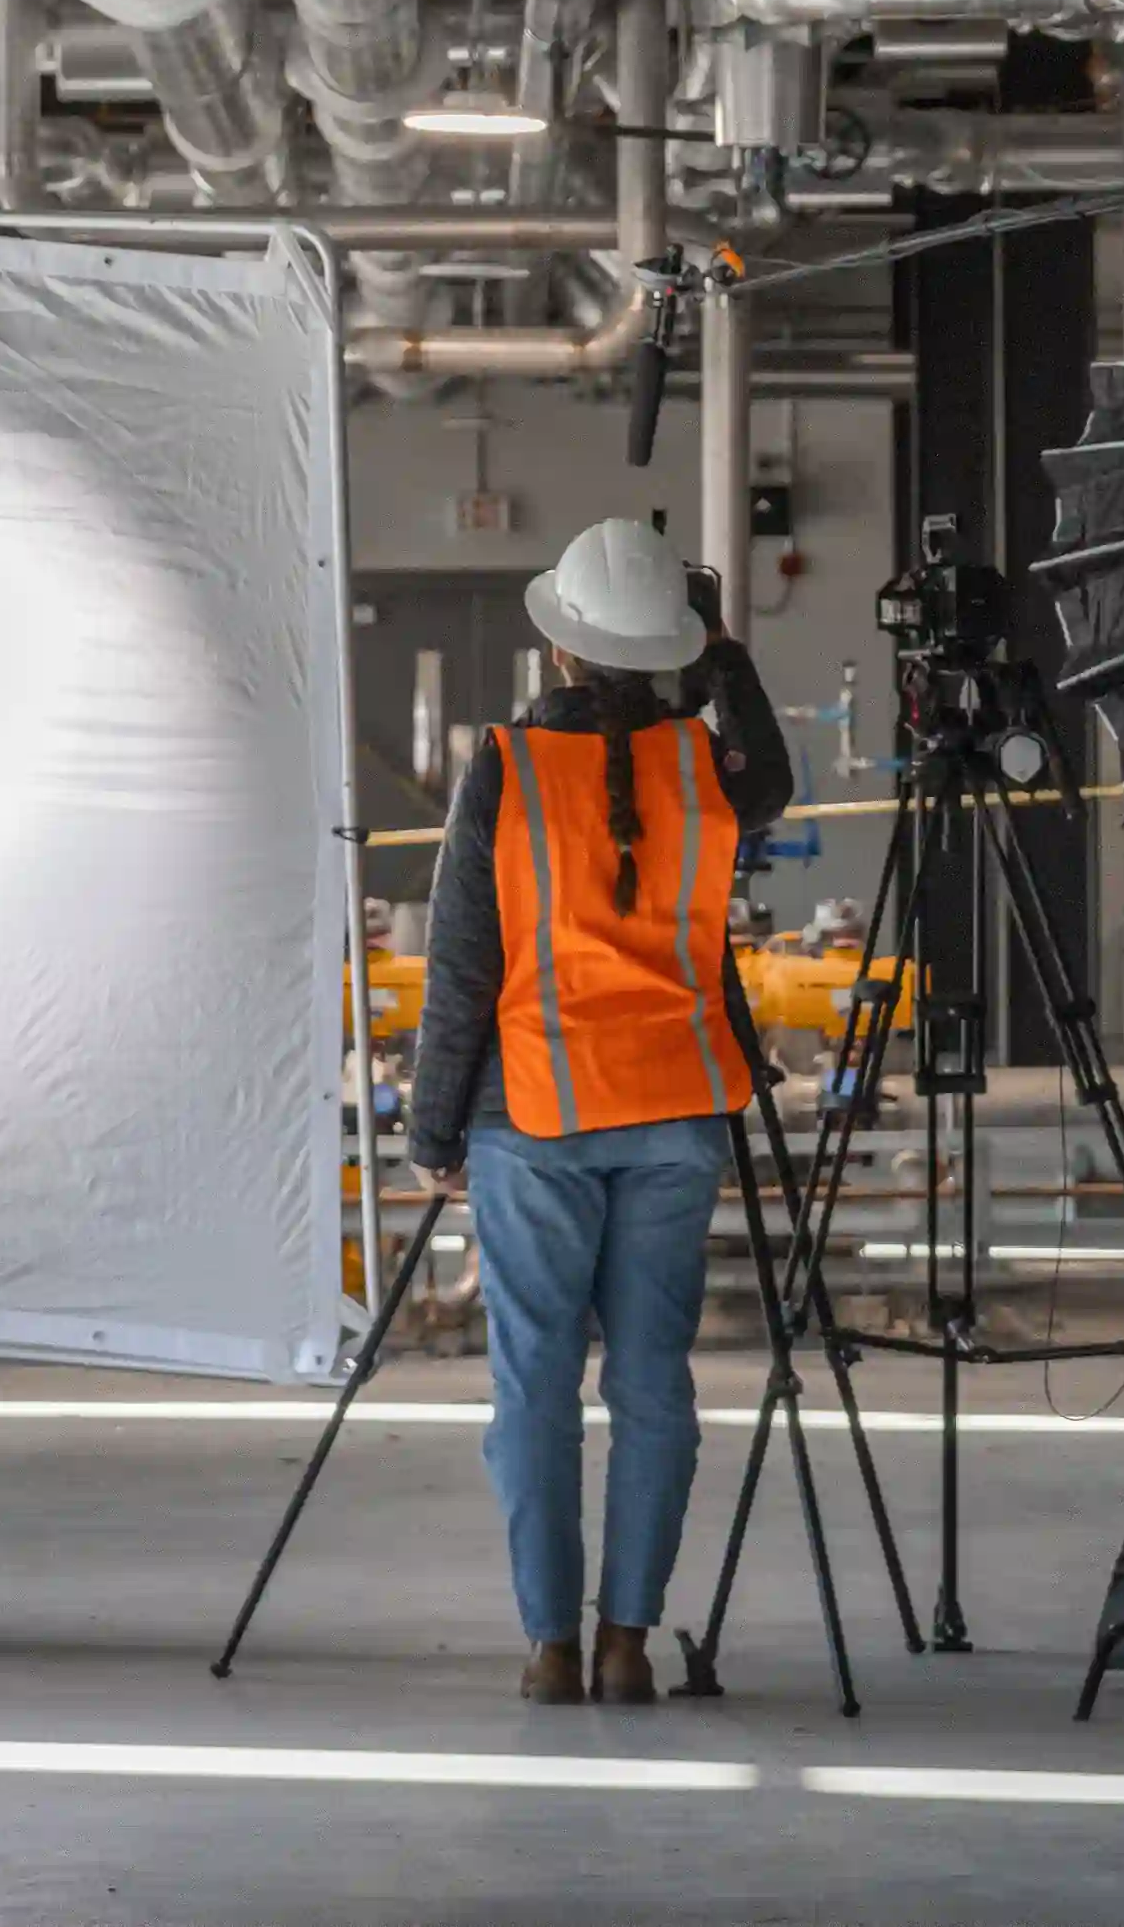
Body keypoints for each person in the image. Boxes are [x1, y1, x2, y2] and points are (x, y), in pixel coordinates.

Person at [408, 516, 793, 1704]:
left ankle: (552, 1648)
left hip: (537, 1114)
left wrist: (430, 1132)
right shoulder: (704, 769)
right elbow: (771, 778)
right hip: (677, 1109)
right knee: (652, 1382)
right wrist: (725, 659)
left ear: (561, 651)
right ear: (673, 643)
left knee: (534, 1381)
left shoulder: (507, 768)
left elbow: (463, 964)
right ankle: (630, 1644)